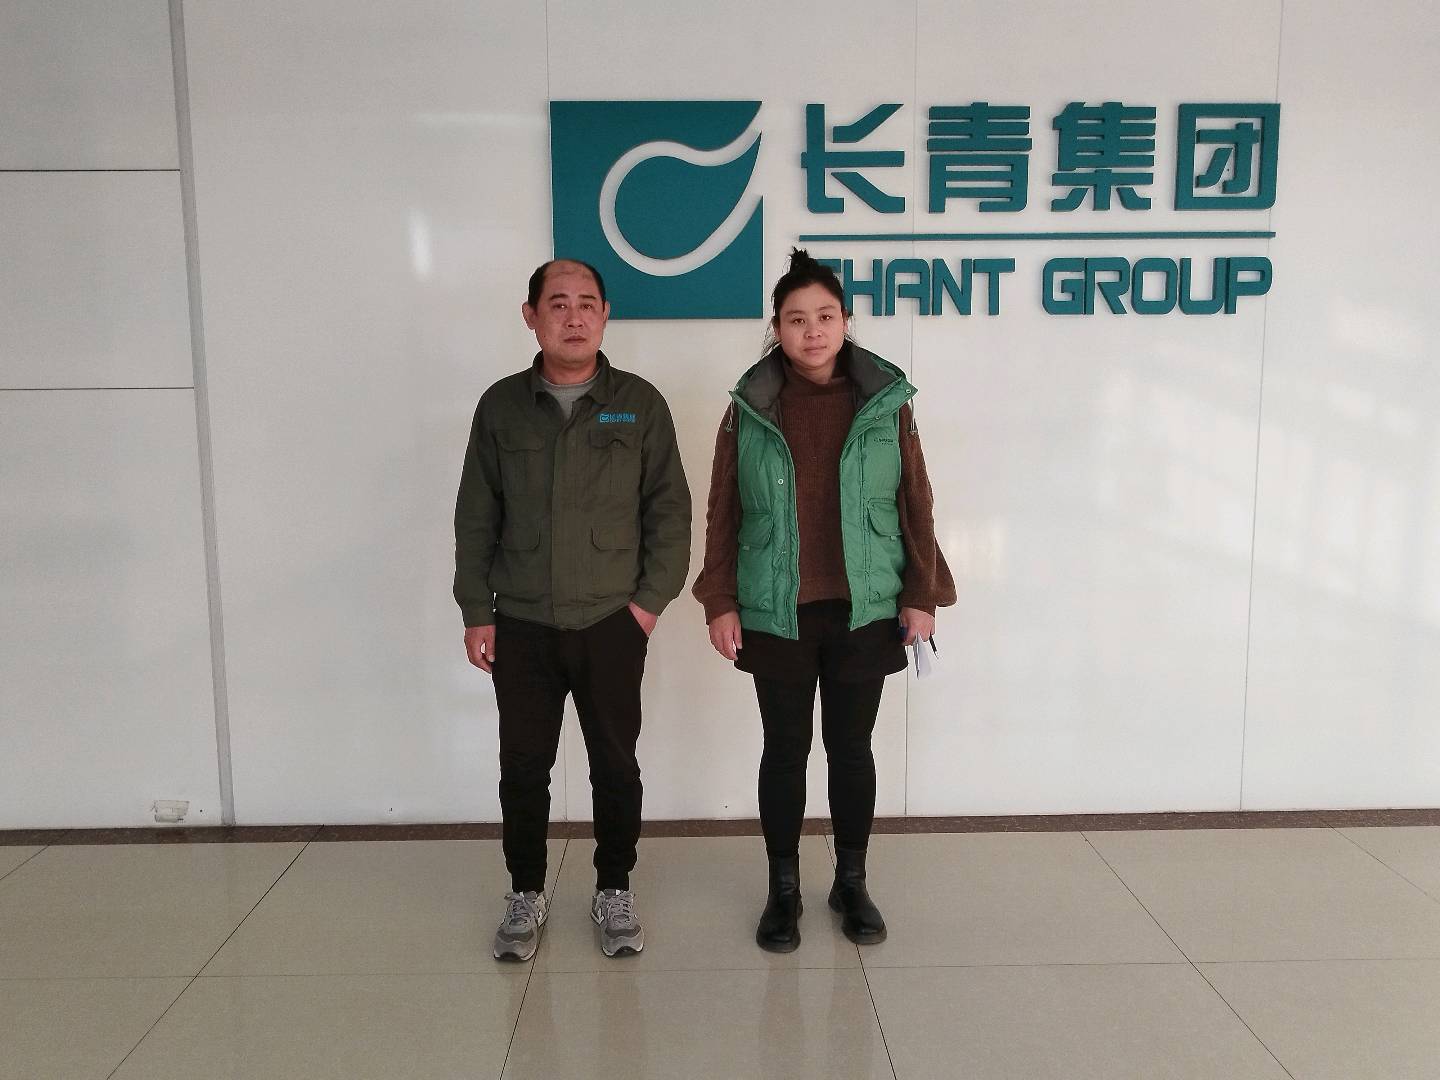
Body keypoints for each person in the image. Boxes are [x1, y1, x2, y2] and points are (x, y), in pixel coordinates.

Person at [693, 248, 955, 952]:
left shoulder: (886, 403)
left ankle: (851, 881)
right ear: (776, 328)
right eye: (796, 319)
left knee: (851, 749)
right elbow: (722, 510)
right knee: (785, 750)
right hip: (775, 607)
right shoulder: (748, 409)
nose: (812, 331)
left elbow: (916, 502)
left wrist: (922, 592)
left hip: (865, 606)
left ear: (846, 321)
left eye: (825, 317)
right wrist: (719, 598)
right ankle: (783, 890)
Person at [454, 258, 691, 962]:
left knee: (615, 765)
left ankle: (614, 887)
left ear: (606, 314)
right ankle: (525, 891)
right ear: (531, 316)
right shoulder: (501, 406)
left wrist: (646, 607)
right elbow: (475, 515)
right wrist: (477, 609)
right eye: (558, 303)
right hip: (521, 622)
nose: (574, 316)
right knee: (523, 767)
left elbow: (670, 513)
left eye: (588, 303)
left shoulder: (638, 404)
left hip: (611, 621)